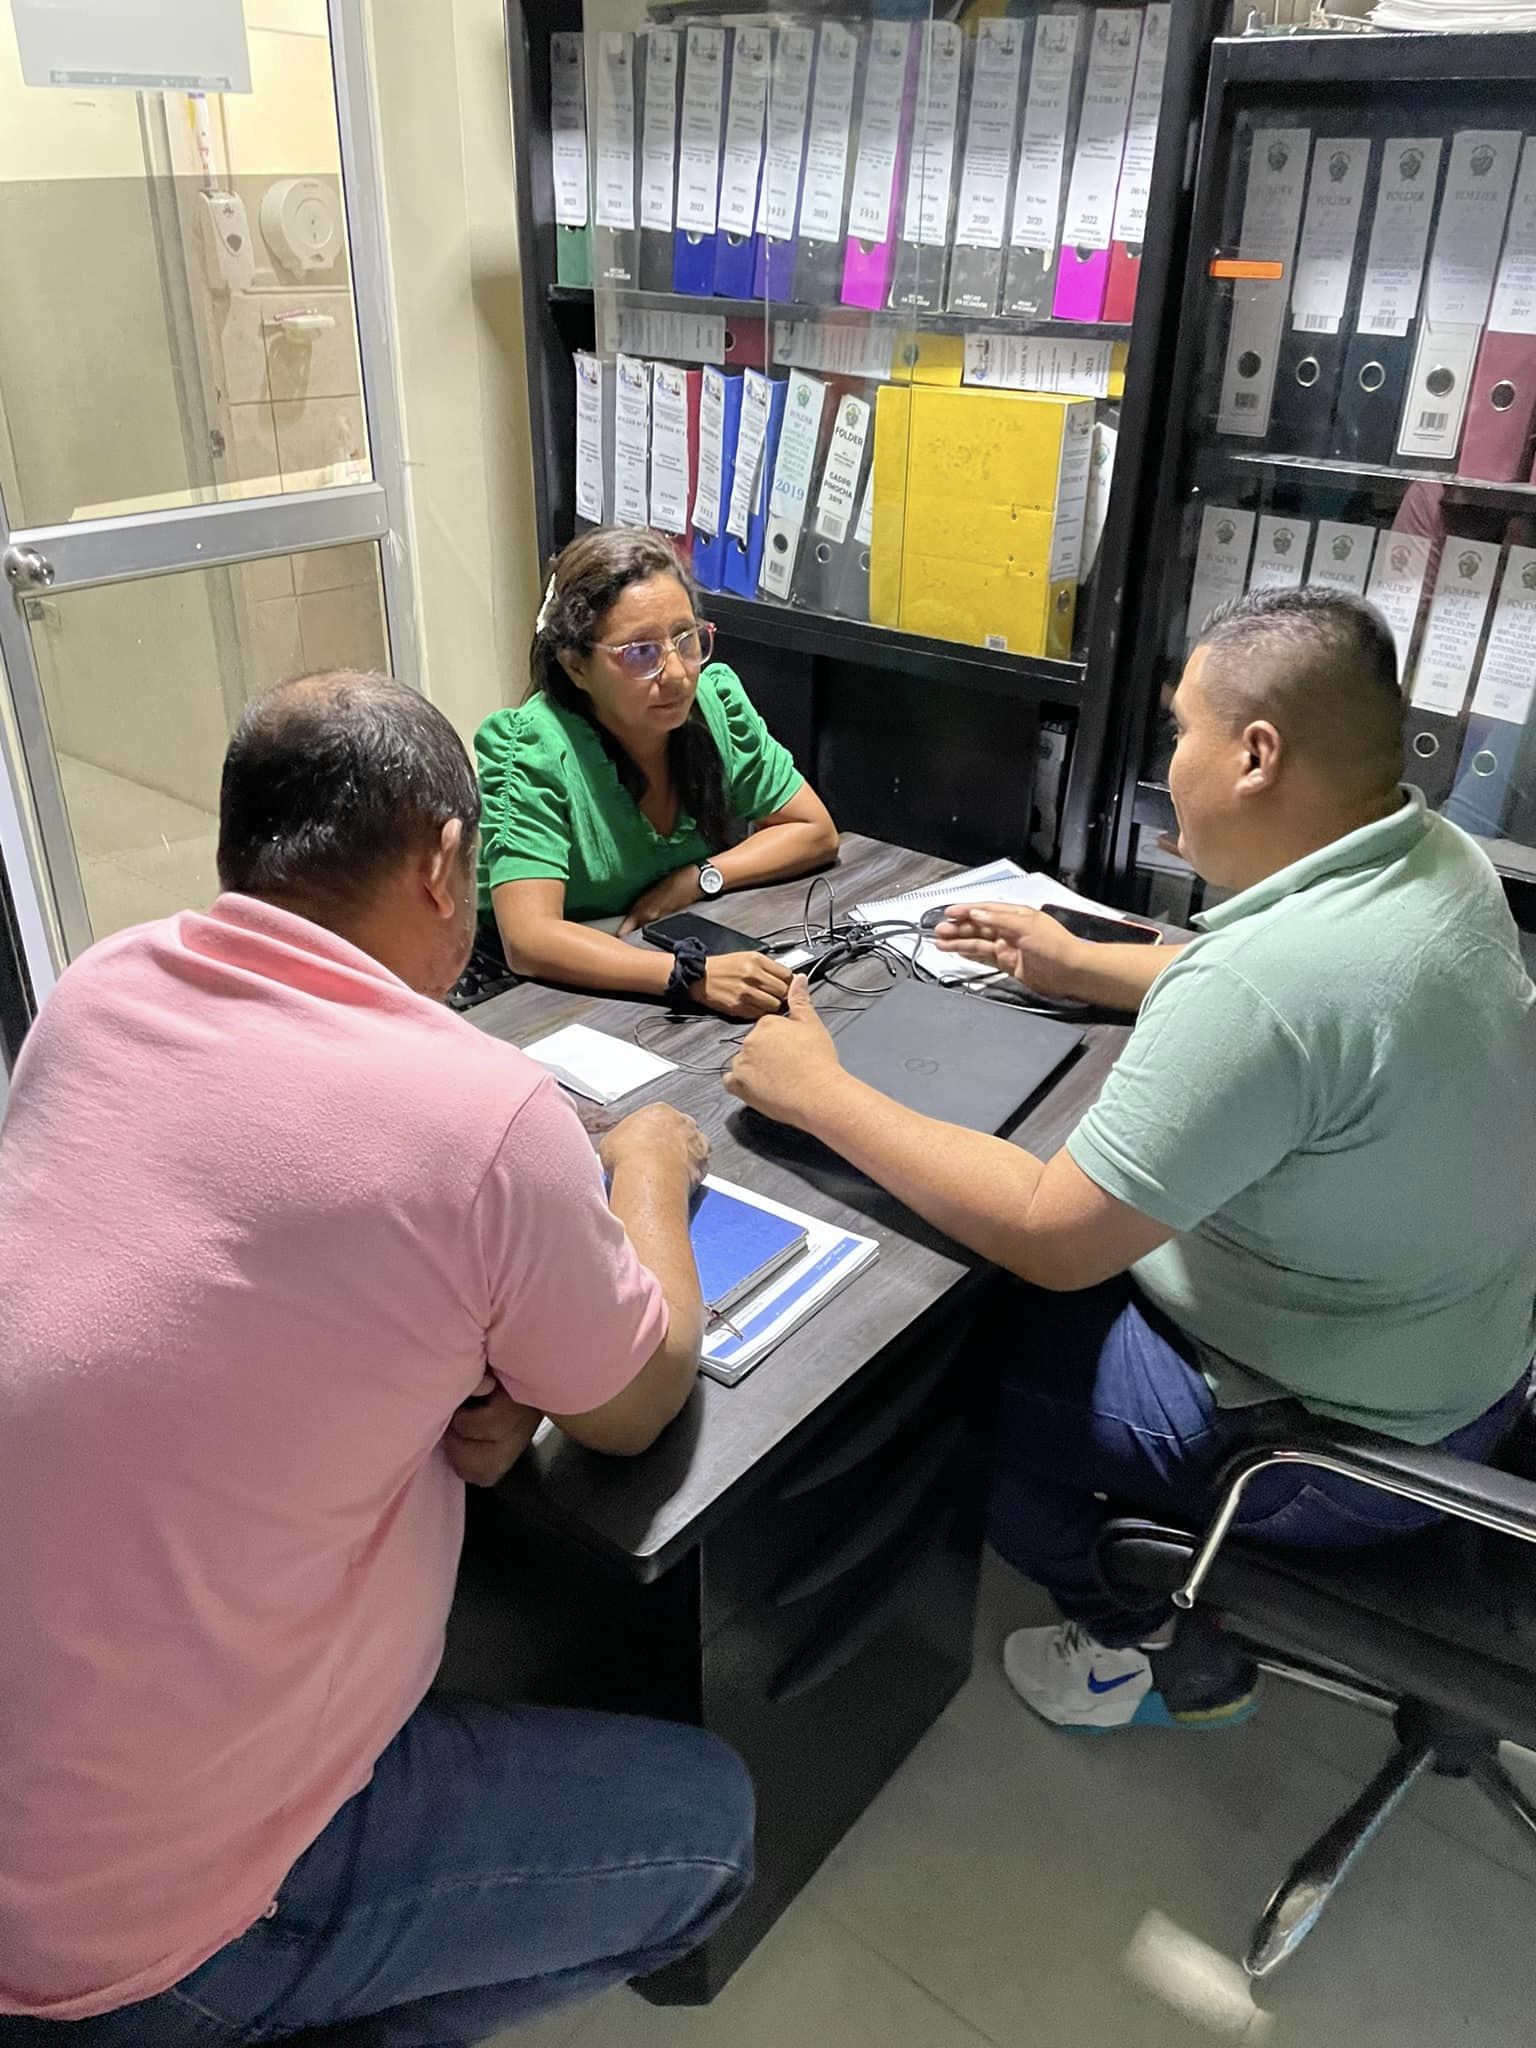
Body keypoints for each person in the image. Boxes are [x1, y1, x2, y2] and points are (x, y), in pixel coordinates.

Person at [0, 672, 752, 2045]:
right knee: (711, 1832)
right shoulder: (485, 1119)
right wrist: (649, 1162)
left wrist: (462, 1356)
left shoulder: (97, 990)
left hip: (34, 1790)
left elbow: (223, 1288)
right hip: (134, 1932)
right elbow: (638, 1401)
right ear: (446, 861)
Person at [724, 588, 1536, 1736]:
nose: (1168, 760)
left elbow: (1053, 1235)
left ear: (1255, 755)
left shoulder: (1267, 985)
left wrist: (822, 1092)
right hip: (1468, 1365)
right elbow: (1312, 1017)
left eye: (1180, 729)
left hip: (1346, 1447)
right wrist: (1085, 963)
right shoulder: (1435, 858)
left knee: (967, 1370)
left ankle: (1131, 1636)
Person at [475, 526, 838, 1019]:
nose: (678, 674)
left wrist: (697, 879)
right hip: (542, 995)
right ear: (576, 666)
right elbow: (529, 940)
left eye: (686, 640)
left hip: (659, 958)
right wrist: (689, 975)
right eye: (640, 653)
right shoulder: (532, 747)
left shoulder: (714, 704)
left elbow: (814, 830)